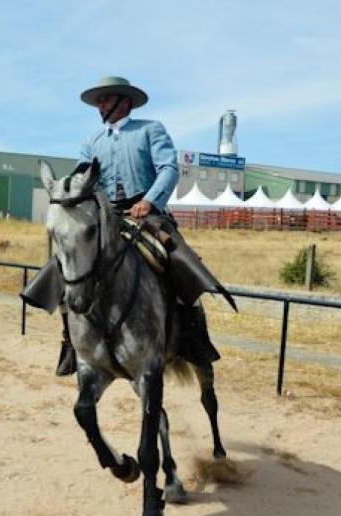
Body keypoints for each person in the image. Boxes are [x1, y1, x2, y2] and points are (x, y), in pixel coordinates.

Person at [21, 75, 232, 376]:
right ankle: (71, 341)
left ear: (125, 101)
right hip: (107, 216)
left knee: (179, 259)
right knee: (66, 262)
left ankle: (192, 336)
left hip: (148, 214)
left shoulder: (150, 130)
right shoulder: (92, 141)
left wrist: (150, 200)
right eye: (99, 101)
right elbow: (83, 179)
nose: (100, 106)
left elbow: (169, 169)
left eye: (105, 99)